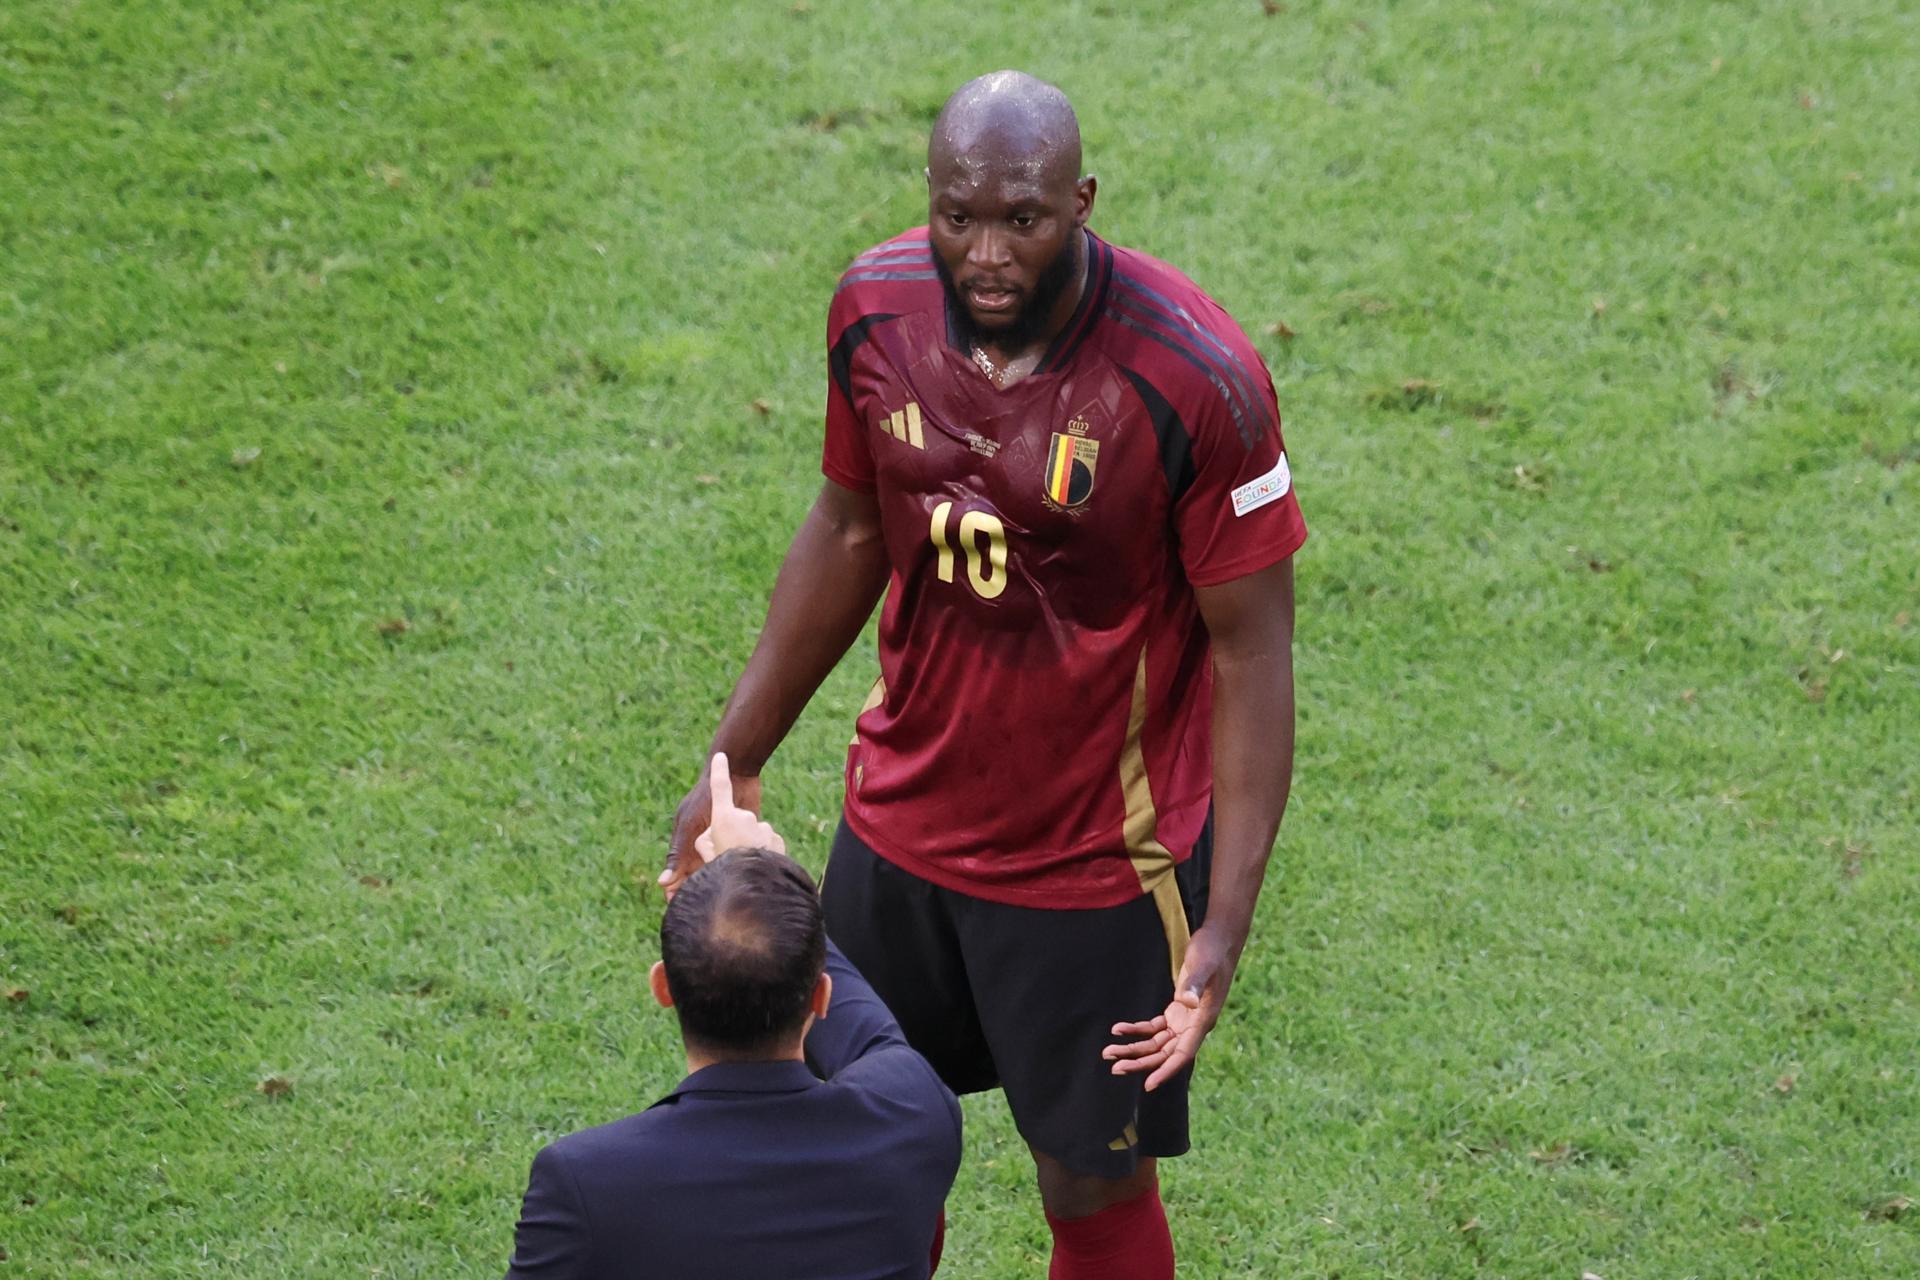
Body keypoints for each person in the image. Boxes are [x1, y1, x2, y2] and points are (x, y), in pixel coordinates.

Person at [663, 69, 1304, 1279]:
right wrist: (734, 754)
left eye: (1026, 217)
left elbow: (1251, 646)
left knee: (1092, 1176)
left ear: (1083, 203)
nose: (989, 251)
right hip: (899, 831)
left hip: (1094, 867)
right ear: (930, 199)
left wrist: (1225, 918)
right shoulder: (874, 308)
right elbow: (851, 528)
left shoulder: (1194, 377)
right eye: (961, 215)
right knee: (859, 1145)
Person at [509, 755, 961, 1280]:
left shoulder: (585, 1181)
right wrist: (760, 876)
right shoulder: (912, 1113)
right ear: (820, 995)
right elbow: (871, 1036)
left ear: (664, 988)